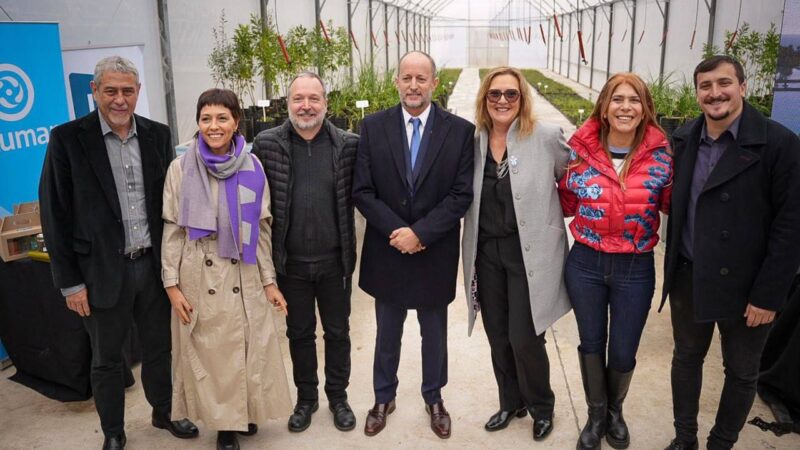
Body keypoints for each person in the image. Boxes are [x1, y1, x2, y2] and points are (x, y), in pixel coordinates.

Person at [39, 56, 198, 450]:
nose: (120, 99)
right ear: (95, 91)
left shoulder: (158, 135)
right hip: (99, 274)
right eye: (110, 90)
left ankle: (163, 413)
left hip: (153, 266)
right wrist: (70, 283)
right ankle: (114, 430)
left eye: (127, 90)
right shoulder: (67, 139)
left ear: (138, 92)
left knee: (160, 349)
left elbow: (173, 202)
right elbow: (54, 212)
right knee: (107, 359)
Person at [660, 55, 800, 450]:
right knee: (687, 359)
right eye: (705, 86)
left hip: (749, 288)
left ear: (743, 86)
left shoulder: (779, 144)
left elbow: (791, 228)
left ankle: (721, 444)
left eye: (724, 83)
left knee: (740, 371)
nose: (715, 93)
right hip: (690, 275)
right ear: (697, 93)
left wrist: (769, 295)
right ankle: (684, 439)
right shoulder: (686, 138)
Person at [161, 88, 292, 450]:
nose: (213, 126)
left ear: (236, 122)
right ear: (198, 122)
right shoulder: (181, 167)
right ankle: (224, 426)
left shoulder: (252, 166)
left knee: (251, 347)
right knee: (212, 353)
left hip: (244, 270)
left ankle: (245, 412)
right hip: (199, 274)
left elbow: (263, 228)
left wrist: (269, 281)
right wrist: (171, 285)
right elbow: (172, 228)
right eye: (206, 118)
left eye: (222, 118)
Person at [352, 51, 474, 439]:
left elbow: (460, 194)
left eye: (421, 78)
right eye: (406, 78)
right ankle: (382, 397)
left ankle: (434, 397)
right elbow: (363, 191)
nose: (413, 86)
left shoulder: (459, 131)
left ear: (434, 83)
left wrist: (420, 233)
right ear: (396, 82)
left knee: (433, 332)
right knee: (387, 330)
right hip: (387, 250)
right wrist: (398, 232)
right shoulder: (372, 127)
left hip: (433, 251)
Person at [558, 72, 672, 450]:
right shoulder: (580, 152)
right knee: (591, 342)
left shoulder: (663, 156)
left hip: (635, 267)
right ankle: (595, 414)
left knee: (623, 349)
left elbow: (678, 206)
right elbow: (563, 201)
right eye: (617, 99)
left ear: (645, 109)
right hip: (586, 263)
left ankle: (614, 411)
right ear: (604, 108)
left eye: (634, 100)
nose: (625, 107)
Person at [461, 66, 570, 441]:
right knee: (497, 334)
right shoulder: (473, 140)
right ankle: (511, 402)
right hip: (486, 251)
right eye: (494, 95)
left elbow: (570, 180)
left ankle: (542, 406)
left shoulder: (545, 137)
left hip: (528, 253)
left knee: (525, 334)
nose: (502, 101)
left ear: (523, 99)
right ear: (484, 100)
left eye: (511, 94)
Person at [253, 71, 359, 433]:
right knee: (299, 334)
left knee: (338, 332)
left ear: (326, 104)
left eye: (314, 98)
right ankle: (306, 399)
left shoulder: (348, 145)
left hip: (335, 262)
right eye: (299, 98)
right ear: (288, 103)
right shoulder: (266, 144)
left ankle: (339, 397)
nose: (306, 105)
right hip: (291, 264)